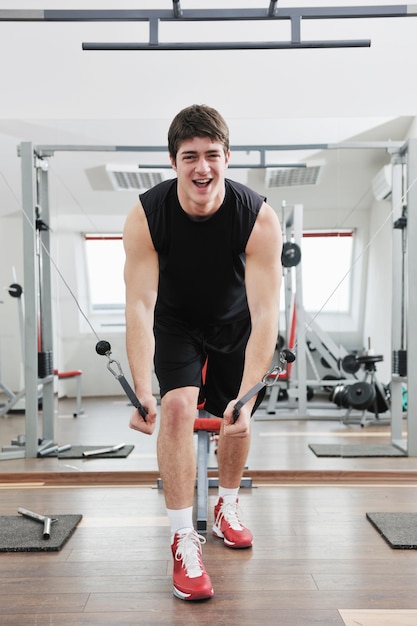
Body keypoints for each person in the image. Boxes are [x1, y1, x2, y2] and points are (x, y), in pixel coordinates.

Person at [123, 104, 282, 601]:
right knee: (174, 409)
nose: (202, 168)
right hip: (175, 322)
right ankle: (181, 538)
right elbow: (140, 306)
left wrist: (249, 395)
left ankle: (226, 505)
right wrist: (142, 391)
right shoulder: (147, 216)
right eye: (189, 156)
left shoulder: (257, 217)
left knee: (236, 413)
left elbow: (265, 313)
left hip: (237, 322)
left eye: (212, 155)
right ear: (173, 162)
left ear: (227, 157)